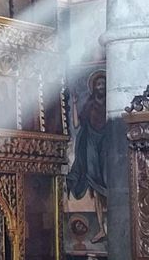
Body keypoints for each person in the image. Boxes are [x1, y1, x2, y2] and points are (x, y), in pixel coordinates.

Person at [67, 72, 108, 243]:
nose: (101, 87)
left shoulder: (112, 103)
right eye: (98, 84)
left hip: (106, 147)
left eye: (103, 84)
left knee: (109, 186)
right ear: (93, 87)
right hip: (91, 148)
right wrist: (75, 104)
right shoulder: (89, 105)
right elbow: (76, 124)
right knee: (97, 190)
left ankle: (109, 226)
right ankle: (101, 228)